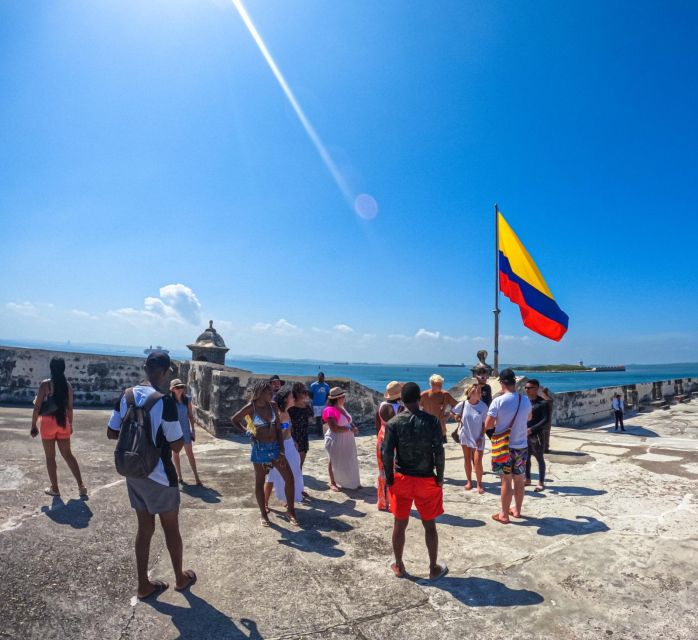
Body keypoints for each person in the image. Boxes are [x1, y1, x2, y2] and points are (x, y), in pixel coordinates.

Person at [107, 351, 196, 600]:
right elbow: (177, 445)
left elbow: (111, 432)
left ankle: (143, 585)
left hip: (133, 471)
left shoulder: (126, 396)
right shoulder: (164, 402)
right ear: (167, 372)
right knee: (171, 528)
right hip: (159, 476)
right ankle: (180, 578)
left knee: (144, 528)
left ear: (145, 367)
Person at [382, 382, 447, 580]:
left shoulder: (394, 423)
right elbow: (439, 452)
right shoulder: (432, 422)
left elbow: (387, 454)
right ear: (419, 399)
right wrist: (440, 478)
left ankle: (400, 566)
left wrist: (389, 478)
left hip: (402, 479)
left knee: (399, 525)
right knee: (430, 526)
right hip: (426, 480)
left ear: (401, 400)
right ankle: (433, 568)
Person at [231, 380, 298, 526]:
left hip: (275, 447)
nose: (272, 394)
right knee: (260, 481)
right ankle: (263, 514)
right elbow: (234, 420)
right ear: (260, 393)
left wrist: (281, 450)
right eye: (269, 392)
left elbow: (279, 430)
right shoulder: (251, 408)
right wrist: (247, 431)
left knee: (290, 479)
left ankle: (291, 511)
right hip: (259, 448)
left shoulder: (273, 406)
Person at [30, 357, 87, 497]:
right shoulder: (67, 385)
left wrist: (33, 426)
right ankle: (81, 486)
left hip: (48, 423)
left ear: (51, 368)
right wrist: (70, 424)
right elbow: (70, 408)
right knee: (68, 455)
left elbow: (37, 407)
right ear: (63, 368)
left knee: (50, 457)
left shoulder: (46, 385)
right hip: (63, 422)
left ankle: (55, 489)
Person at [485, 368, 532, 525]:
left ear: (501, 383)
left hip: (504, 447)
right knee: (519, 479)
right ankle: (517, 510)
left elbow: (488, 425)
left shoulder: (498, 401)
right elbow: (529, 417)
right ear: (514, 382)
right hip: (521, 446)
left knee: (506, 480)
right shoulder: (525, 400)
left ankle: (504, 514)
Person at [265, 385, 304, 509]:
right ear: (286, 399)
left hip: (288, 445)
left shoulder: (285, 412)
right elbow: (277, 434)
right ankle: (265, 503)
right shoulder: (281, 415)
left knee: (290, 473)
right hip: (281, 448)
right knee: (272, 476)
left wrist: (293, 441)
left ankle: (287, 498)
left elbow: (286, 431)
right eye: (292, 397)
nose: (294, 398)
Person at [323, 387, 361, 491]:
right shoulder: (330, 410)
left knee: (348, 459)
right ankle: (333, 482)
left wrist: (353, 427)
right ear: (338, 398)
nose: (344, 398)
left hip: (347, 438)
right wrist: (349, 429)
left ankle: (349, 481)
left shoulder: (341, 407)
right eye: (343, 396)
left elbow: (348, 420)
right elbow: (334, 428)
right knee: (333, 460)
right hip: (335, 439)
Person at [452, 383, 487, 494]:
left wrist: (481, 436)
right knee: (467, 459)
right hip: (465, 435)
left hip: (478, 438)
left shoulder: (483, 406)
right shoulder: (463, 404)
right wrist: (457, 417)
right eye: (478, 392)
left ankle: (479, 484)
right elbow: (453, 412)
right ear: (471, 393)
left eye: (480, 392)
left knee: (477, 462)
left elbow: (485, 424)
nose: (480, 394)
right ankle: (469, 481)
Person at [375, 381, 403, 511]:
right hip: (394, 441)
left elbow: (377, 425)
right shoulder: (400, 409)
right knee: (394, 472)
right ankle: (393, 502)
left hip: (381, 439)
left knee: (382, 471)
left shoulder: (381, 406)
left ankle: (382, 502)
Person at [170, 379, 202, 486]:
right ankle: (179, 476)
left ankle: (196, 477)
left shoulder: (187, 399)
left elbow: (190, 416)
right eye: (177, 387)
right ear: (173, 389)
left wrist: (193, 430)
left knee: (190, 454)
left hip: (185, 430)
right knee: (176, 454)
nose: (180, 389)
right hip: (174, 431)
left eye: (181, 387)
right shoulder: (169, 401)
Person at [524, 379, 549, 492]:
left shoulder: (543, 403)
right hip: (524, 434)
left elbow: (545, 420)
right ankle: (528, 479)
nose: (527, 390)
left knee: (539, 458)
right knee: (526, 458)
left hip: (537, 435)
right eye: (526, 388)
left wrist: (532, 429)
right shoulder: (524, 402)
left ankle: (541, 482)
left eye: (530, 388)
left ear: (537, 389)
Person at [420, 374, 458, 443]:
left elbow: (457, 405)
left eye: (441, 384)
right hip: (426, 428)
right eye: (438, 384)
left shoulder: (445, 394)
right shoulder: (424, 395)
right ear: (431, 384)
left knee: (440, 451)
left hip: (441, 428)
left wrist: (449, 415)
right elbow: (416, 408)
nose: (441, 386)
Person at [288, 382, 313, 469]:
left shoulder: (307, 407)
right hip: (292, 437)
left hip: (303, 437)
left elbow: (309, 419)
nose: (306, 394)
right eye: (303, 392)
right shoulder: (290, 408)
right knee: (292, 464)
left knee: (300, 465)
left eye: (306, 392)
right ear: (296, 393)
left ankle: (298, 481)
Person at [540, 387, 554, 452]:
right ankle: (545, 448)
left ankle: (544, 448)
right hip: (547, 421)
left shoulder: (542, 399)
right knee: (546, 434)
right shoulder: (549, 400)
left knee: (543, 434)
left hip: (543, 420)